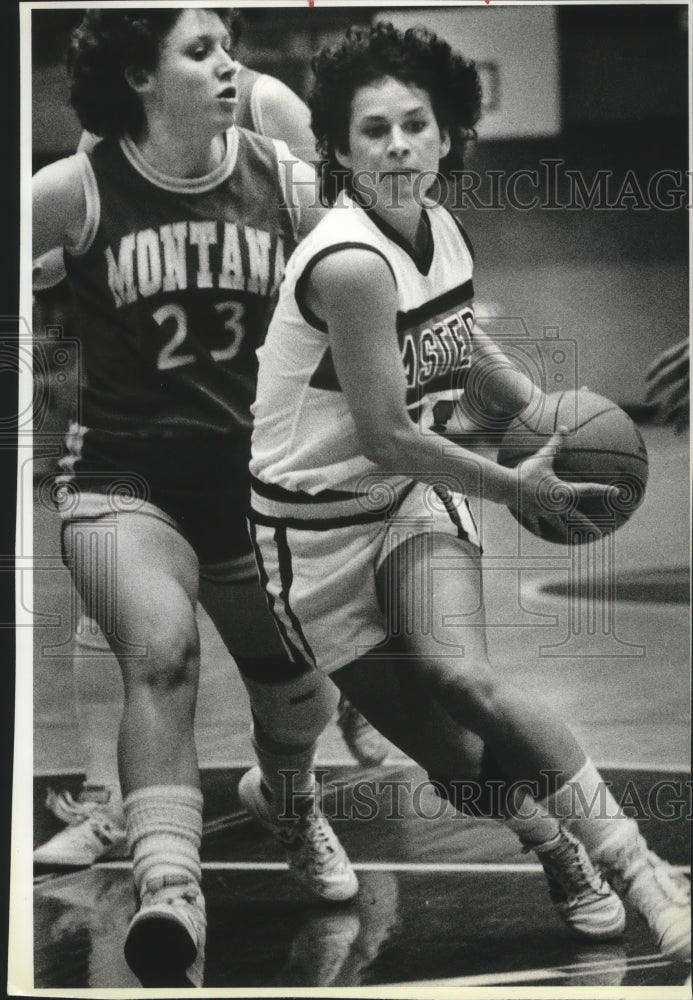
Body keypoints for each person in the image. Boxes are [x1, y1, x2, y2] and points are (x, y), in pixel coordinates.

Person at [248, 21, 691, 964]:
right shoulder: (350, 261)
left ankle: (638, 867)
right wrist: (514, 480)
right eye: (373, 130)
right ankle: (549, 843)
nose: (399, 143)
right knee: (454, 765)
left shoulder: (440, 228)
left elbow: (460, 343)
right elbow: (390, 433)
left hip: (405, 506)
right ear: (336, 149)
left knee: (465, 678)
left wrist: (542, 416)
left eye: (416, 123)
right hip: (313, 534)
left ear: (447, 134)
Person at [33, 9, 361, 987]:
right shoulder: (70, 191)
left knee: (294, 690)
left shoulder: (287, 178)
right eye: (203, 51)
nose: (232, 66)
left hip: (256, 483)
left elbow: (386, 282)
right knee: (161, 650)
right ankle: (170, 891)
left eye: (229, 46)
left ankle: (294, 801)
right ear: (140, 76)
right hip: (121, 481)